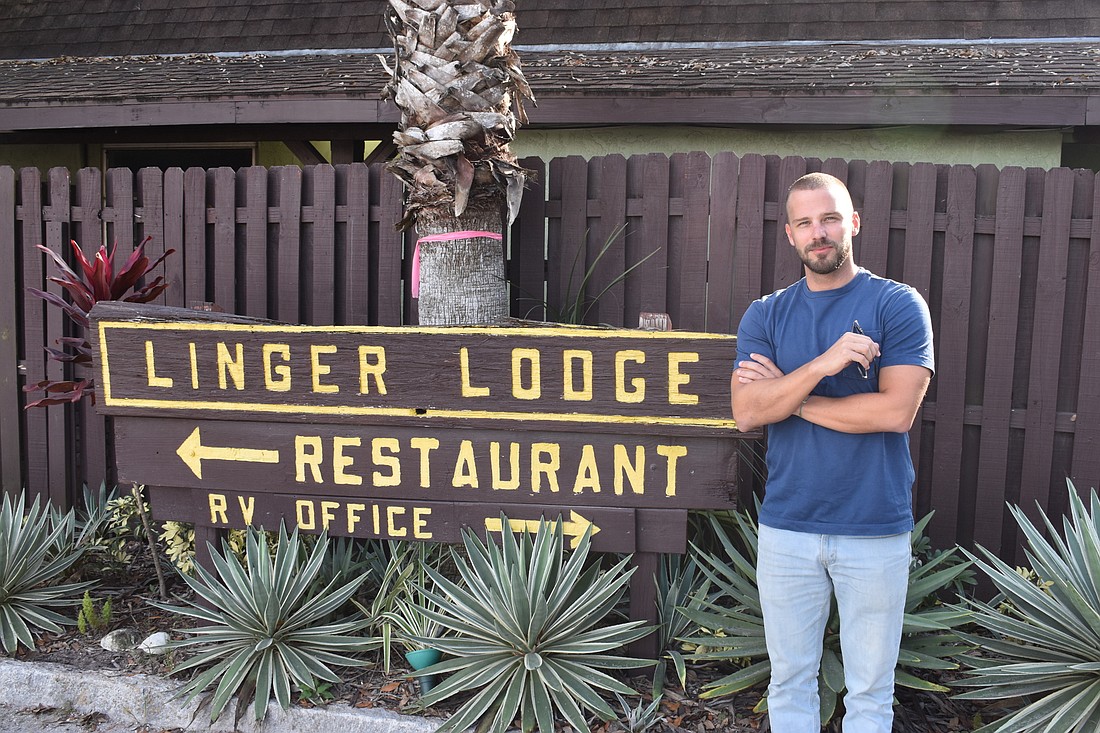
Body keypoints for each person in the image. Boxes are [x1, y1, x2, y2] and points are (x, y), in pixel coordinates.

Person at [730, 172, 934, 733]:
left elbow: (894, 413)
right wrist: (823, 366)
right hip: (788, 528)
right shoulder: (765, 315)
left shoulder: (896, 304)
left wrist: (789, 398)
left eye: (830, 218)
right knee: (790, 682)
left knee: (870, 691)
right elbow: (746, 412)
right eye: (805, 223)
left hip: (874, 526)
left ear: (854, 224)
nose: (818, 233)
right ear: (791, 235)